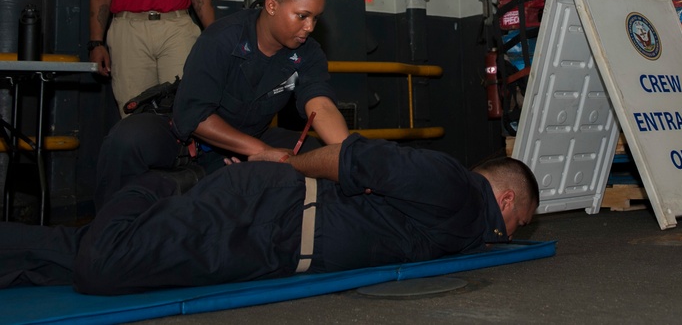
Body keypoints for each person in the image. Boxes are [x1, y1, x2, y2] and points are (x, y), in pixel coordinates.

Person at [0, 134, 540, 293]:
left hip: (269, 244)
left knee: (72, 258)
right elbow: (352, 157)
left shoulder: (463, 226)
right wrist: (289, 160)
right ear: (507, 200)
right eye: (517, 223)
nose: (511, 235)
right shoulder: (453, 186)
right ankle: (162, 182)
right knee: (105, 264)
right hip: (262, 208)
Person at [93, 0, 351, 208]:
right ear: (271, 6)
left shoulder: (309, 52)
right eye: (303, 16)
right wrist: (260, 151)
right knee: (128, 138)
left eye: (315, 18)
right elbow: (194, 116)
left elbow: (321, 105)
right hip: (189, 140)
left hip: (249, 138)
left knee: (317, 155)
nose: (310, 27)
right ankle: (112, 232)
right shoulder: (222, 38)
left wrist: (350, 156)